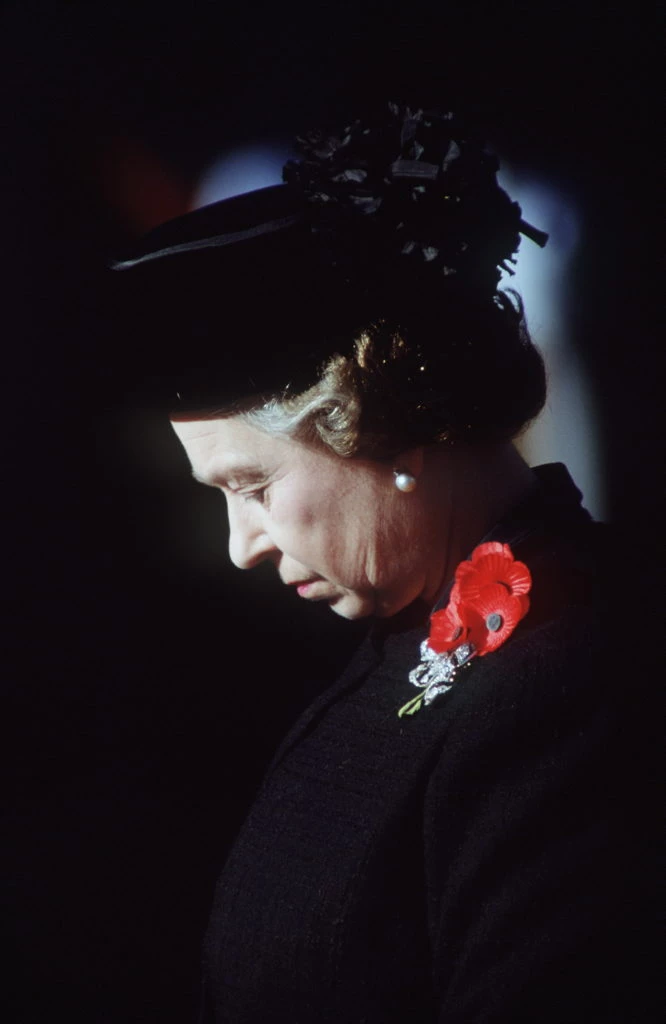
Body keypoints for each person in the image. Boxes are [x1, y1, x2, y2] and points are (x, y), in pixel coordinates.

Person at [112, 103, 655, 1022]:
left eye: (253, 485)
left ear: (386, 423)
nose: (241, 547)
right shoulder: (406, 642)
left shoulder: (566, 685)